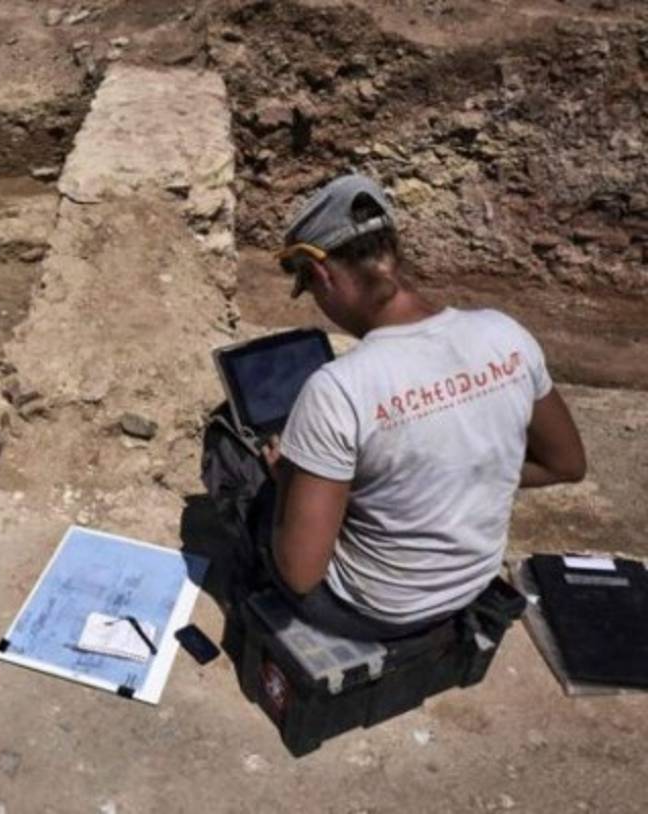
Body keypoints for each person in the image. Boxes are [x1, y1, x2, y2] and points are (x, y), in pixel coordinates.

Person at [245, 173, 587, 641]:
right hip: (470, 586)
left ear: (322, 274)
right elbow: (567, 464)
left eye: (311, 286)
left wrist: (286, 479)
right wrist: (466, 472)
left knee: (246, 478)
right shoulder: (505, 335)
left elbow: (302, 574)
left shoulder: (338, 389)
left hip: (374, 610)